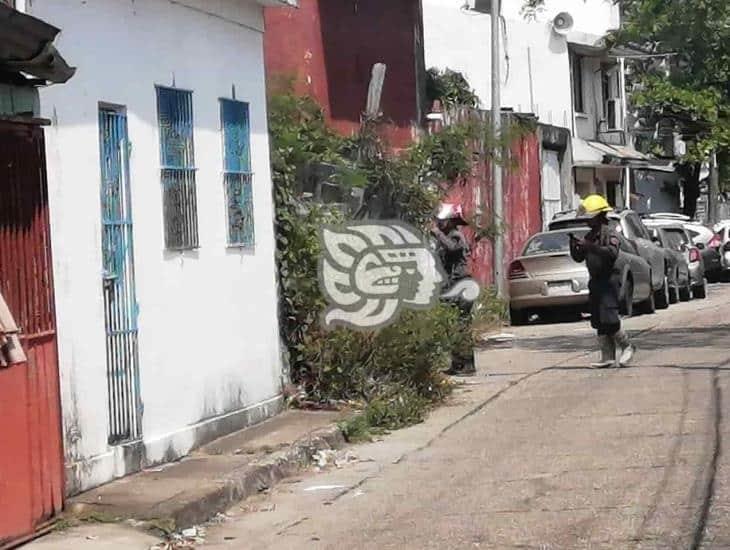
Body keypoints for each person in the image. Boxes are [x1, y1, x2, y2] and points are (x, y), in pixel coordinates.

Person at [569, 195, 635, 368]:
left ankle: (627, 346)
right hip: (595, 282)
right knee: (597, 320)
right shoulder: (590, 236)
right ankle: (607, 356)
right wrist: (575, 247)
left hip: (609, 281)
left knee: (610, 318)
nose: (587, 223)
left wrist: (590, 246)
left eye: (590, 219)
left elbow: (611, 253)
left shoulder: (610, 233)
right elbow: (579, 257)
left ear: (599, 217)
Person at [431, 203, 476, 375]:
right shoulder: (447, 236)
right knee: (455, 325)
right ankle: (458, 364)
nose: (439, 224)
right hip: (452, 286)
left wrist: (437, 234)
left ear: (450, 221)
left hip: (462, 284)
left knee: (461, 325)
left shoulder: (456, 236)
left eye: (442, 221)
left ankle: (466, 365)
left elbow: (453, 248)